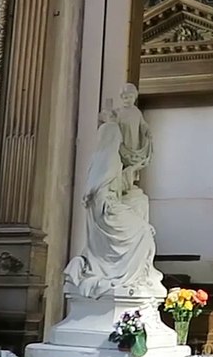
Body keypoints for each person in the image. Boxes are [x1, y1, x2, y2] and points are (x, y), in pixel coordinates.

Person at [64, 106, 164, 298]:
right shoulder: (110, 160)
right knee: (143, 231)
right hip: (107, 210)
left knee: (141, 212)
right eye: (118, 137)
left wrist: (132, 168)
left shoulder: (105, 159)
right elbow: (99, 191)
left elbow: (113, 185)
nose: (120, 141)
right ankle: (126, 278)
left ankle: (130, 278)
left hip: (107, 207)